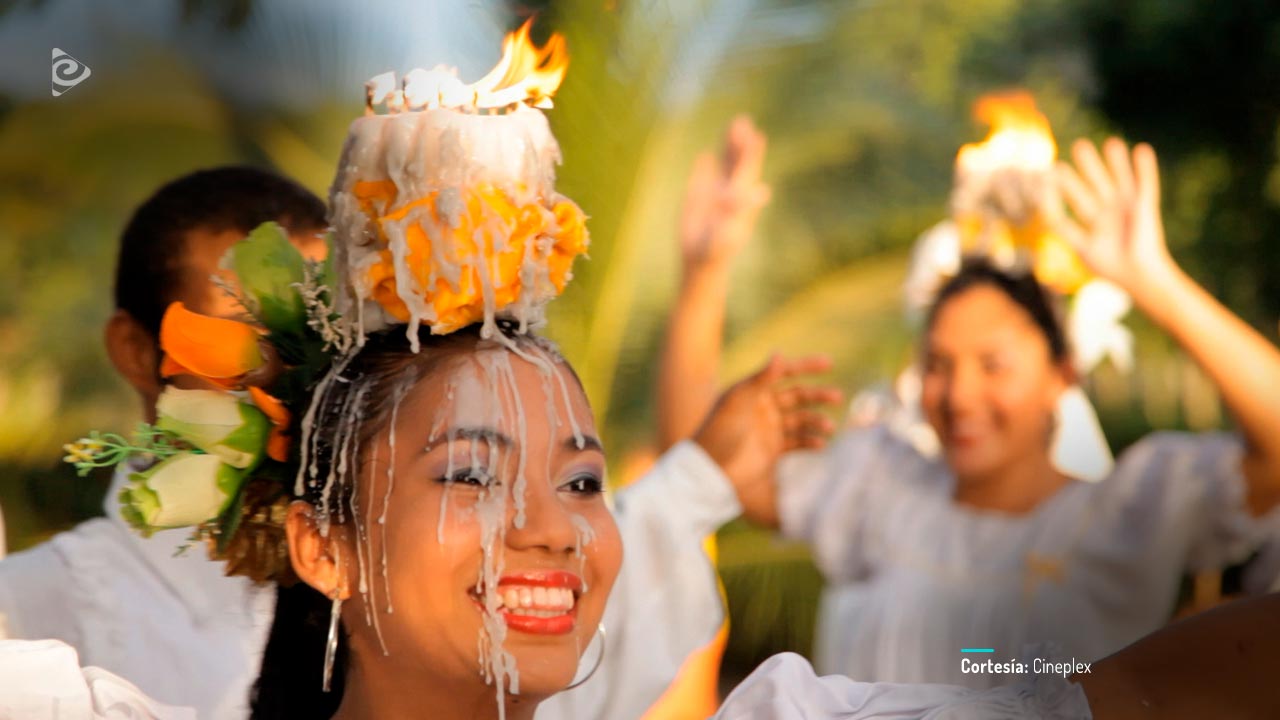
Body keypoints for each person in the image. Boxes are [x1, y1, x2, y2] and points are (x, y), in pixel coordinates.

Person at [667, 132, 1280, 689]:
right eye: (938, 365)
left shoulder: (1124, 517)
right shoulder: (877, 490)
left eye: (994, 365)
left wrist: (1157, 283)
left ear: (1063, 375)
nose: (959, 395)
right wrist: (704, 274)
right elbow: (694, 474)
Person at [0, 167, 329, 719]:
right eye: (250, 337)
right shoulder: (27, 606)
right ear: (133, 350)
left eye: (325, 335)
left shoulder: (402, 592)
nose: (298, 375)